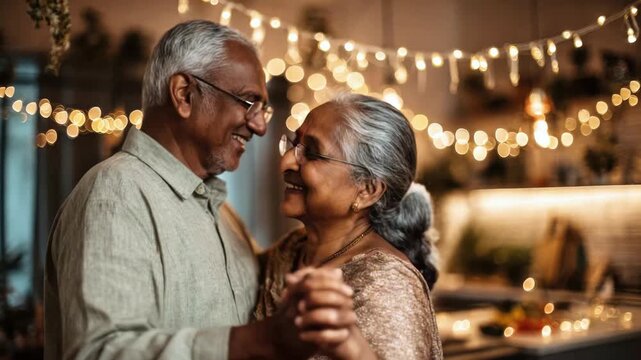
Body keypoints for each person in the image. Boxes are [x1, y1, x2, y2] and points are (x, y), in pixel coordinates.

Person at [44, 20, 356, 360]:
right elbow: (99, 353)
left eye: (263, 108)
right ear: (184, 95)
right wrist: (260, 341)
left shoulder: (222, 212)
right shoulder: (116, 193)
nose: (261, 126)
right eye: (249, 102)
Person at [255, 93, 443, 359]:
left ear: (368, 190)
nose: (286, 162)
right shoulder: (290, 250)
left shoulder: (387, 283)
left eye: (312, 153)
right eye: (293, 144)